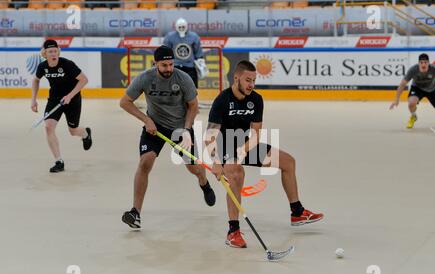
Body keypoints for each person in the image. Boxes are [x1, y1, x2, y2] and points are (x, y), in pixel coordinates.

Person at [204, 60, 324, 249]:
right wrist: (216, 161)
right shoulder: (222, 100)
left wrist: (241, 152)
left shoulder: (256, 100)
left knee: (288, 162)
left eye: (254, 80)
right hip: (223, 146)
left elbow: (256, 133)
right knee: (236, 174)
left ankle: (297, 211)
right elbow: (210, 135)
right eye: (247, 80)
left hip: (245, 145)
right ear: (236, 78)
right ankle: (233, 231)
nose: (251, 84)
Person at [119, 45, 216, 229]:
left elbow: (193, 106)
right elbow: (124, 102)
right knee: (144, 163)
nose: (169, 69)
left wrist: (187, 130)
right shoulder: (145, 78)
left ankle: (204, 183)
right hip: (154, 127)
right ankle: (136, 213)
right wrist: (146, 120)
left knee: (194, 168)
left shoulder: (183, 78)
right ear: (155, 63)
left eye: (171, 64)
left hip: (180, 128)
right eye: (164, 65)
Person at [31, 39, 92, 173]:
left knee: (73, 131)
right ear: (45, 53)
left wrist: (70, 96)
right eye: (50, 52)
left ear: (58, 51)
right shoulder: (43, 67)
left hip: (73, 100)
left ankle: (85, 134)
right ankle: (59, 161)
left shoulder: (67, 64)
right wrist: (33, 100)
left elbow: (84, 80)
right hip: (54, 100)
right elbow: (36, 80)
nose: (53, 54)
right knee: (48, 127)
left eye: (55, 51)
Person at [390, 53, 435, 128]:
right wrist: (396, 99)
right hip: (417, 88)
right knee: (411, 103)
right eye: (421, 62)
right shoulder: (413, 70)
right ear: (418, 63)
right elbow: (402, 84)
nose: (423, 64)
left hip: (432, 89)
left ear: (428, 63)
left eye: (425, 62)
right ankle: (413, 116)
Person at [163, 18, 208, 91]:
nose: (181, 29)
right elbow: (166, 51)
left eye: (183, 27)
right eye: (180, 27)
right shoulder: (170, 36)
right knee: (172, 88)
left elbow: (198, 51)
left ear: (186, 27)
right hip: (175, 66)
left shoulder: (194, 36)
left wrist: (201, 63)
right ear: (176, 27)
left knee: (192, 89)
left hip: (190, 66)